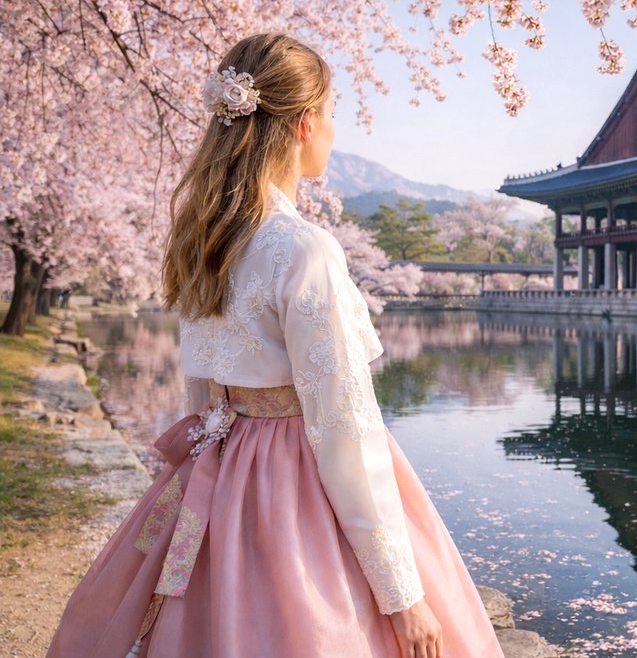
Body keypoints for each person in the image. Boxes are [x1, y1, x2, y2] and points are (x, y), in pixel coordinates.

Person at [47, 33, 504, 658]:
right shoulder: (301, 248)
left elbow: (201, 391)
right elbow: (345, 428)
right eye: (333, 116)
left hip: (225, 468)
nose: (334, 134)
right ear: (304, 124)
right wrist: (403, 595)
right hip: (295, 484)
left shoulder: (206, 242)